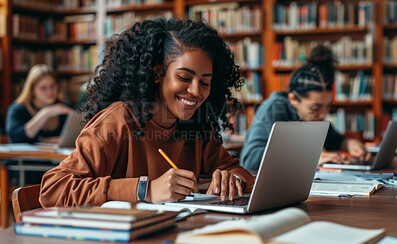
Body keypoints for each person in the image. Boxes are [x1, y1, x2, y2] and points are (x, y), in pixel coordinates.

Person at [39, 18, 255, 207]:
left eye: (205, 82)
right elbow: (53, 189)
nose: (196, 91)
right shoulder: (117, 122)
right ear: (157, 73)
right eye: (184, 78)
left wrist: (233, 180)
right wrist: (145, 190)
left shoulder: (197, 125)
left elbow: (246, 177)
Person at [240, 45, 370, 170]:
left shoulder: (314, 118)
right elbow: (250, 160)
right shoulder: (273, 109)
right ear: (293, 99)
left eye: (328, 107)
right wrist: (309, 156)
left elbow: (335, 140)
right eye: (315, 108)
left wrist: (350, 144)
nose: (323, 115)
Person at [6, 64, 73, 144]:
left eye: (53, 86)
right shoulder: (18, 109)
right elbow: (15, 138)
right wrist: (45, 113)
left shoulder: (64, 107)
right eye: (43, 88)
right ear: (32, 90)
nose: (50, 91)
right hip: (26, 156)